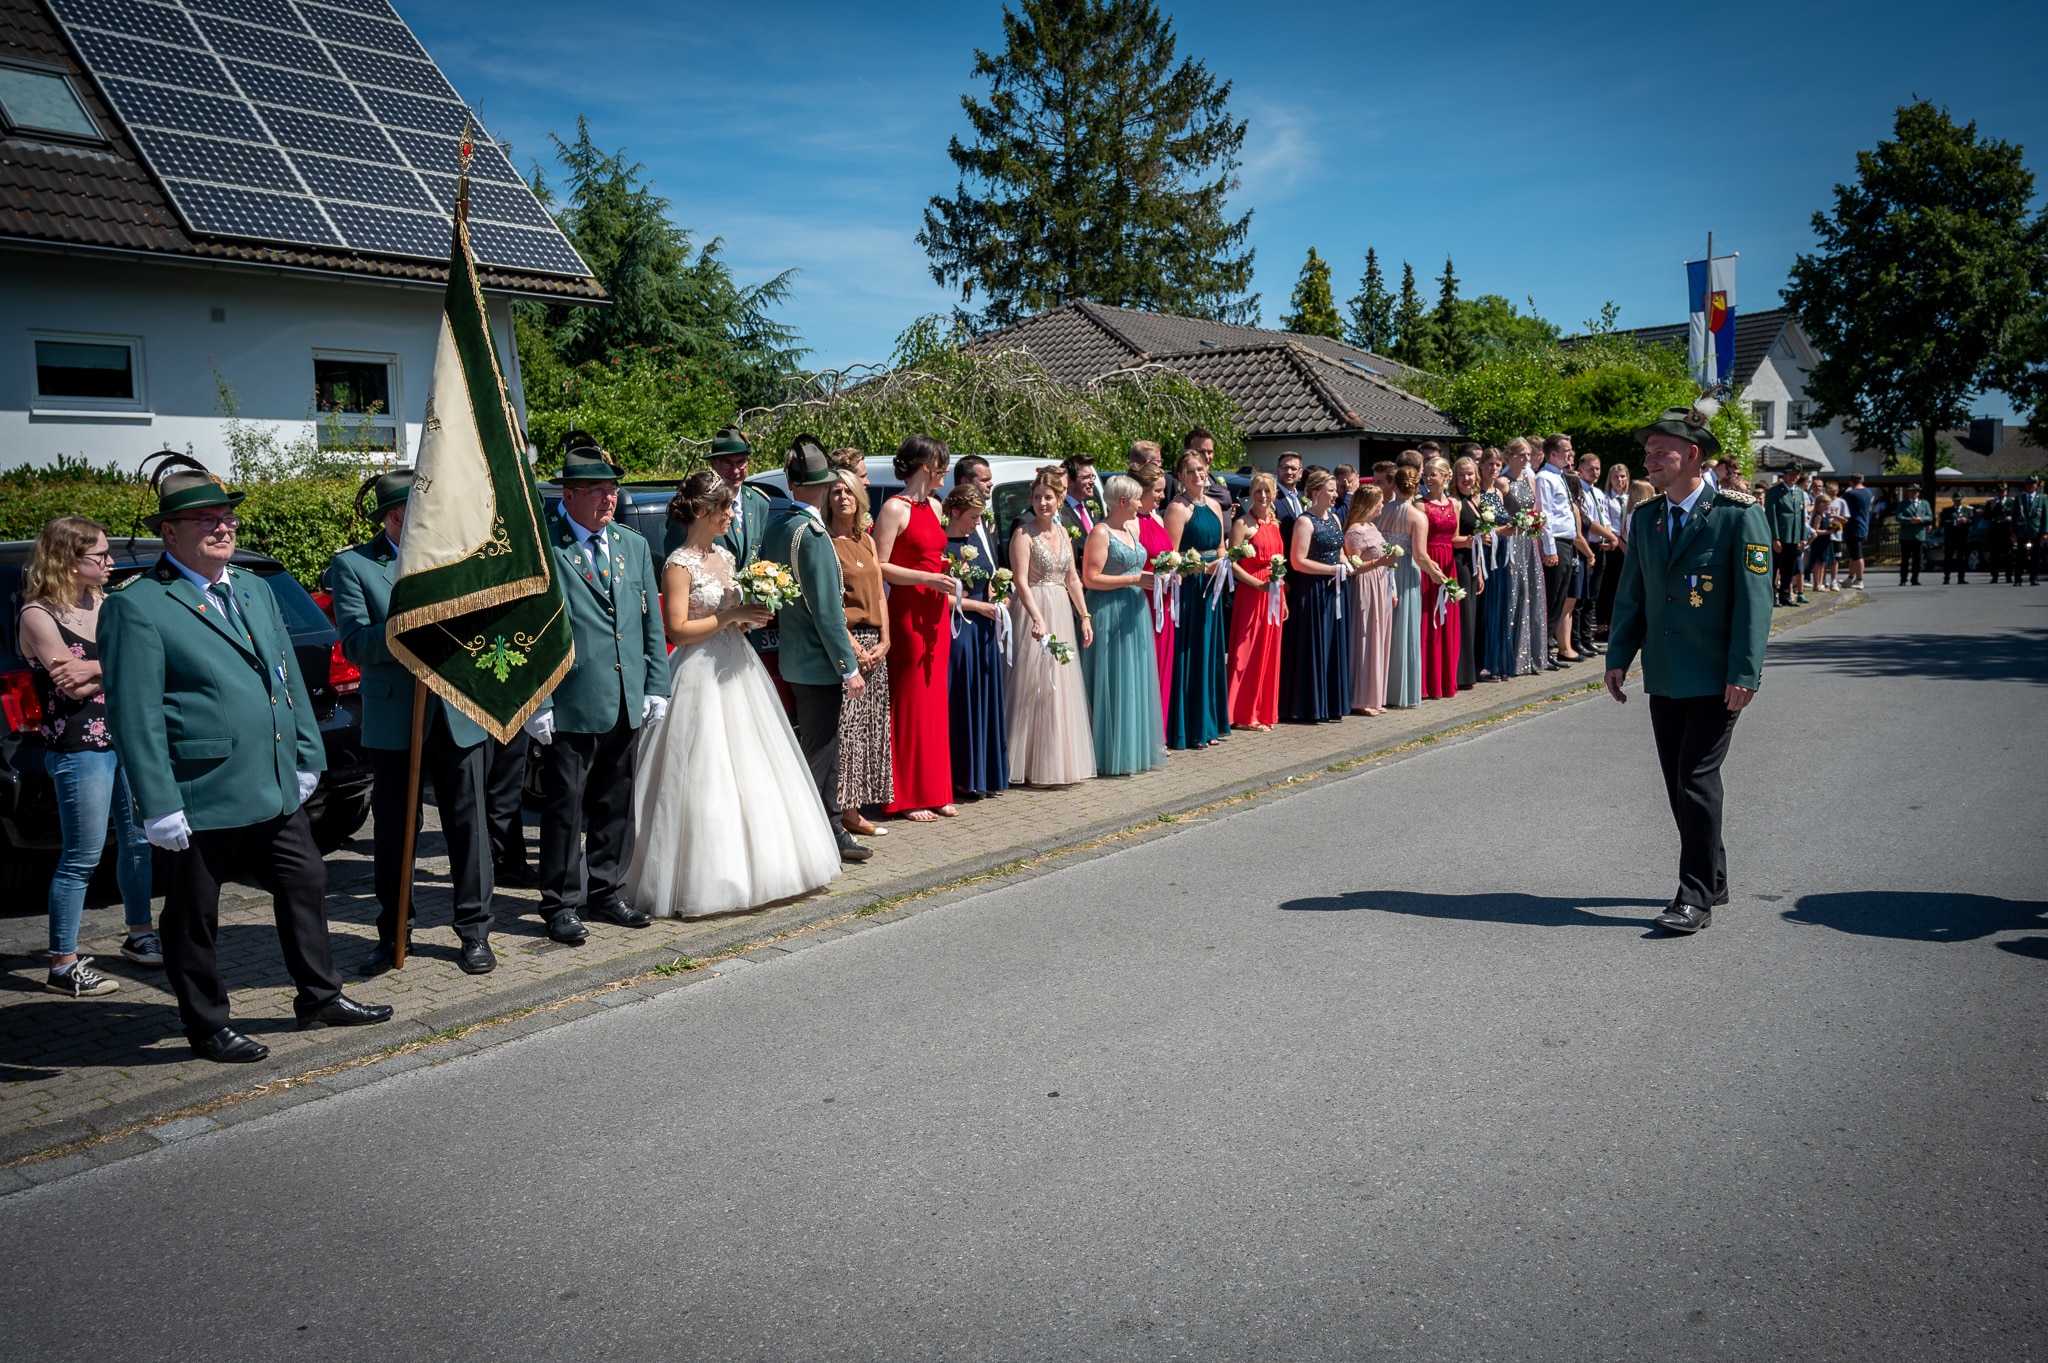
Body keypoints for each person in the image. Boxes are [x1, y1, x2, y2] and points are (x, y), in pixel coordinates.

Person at [102, 457, 388, 1062]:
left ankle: (319, 996)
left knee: (306, 880)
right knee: (194, 914)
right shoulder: (140, 605)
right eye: (205, 519)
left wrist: (307, 753)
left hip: (272, 780)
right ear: (169, 532)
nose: (223, 528)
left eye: (228, 517)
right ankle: (206, 1024)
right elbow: (135, 714)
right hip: (199, 790)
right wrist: (157, 803)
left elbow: (286, 680)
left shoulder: (254, 588)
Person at [628, 468, 845, 919]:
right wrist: (730, 617)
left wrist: (748, 618)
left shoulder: (726, 557)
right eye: (725, 507)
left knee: (757, 768)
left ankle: (769, 869)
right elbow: (677, 630)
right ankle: (709, 879)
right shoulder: (678, 565)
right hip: (699, 673)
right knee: (705, 775)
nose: (732, 514)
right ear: (702, 510)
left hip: (739, 668)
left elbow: (733, 616)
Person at [1603, 399, 1772, 935]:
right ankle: (1713, 877)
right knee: (1680, 783)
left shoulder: (1737, 516)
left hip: (1716, 676)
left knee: (1696, 779)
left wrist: (1744, 672)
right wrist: (1618, 656)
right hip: (1665, 674)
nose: (1649, 460)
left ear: (1693, 455)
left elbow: (1755, 603)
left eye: (1661, 451)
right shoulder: (1646, 518)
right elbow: (1632, 595)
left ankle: (1693, 895)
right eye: (1648, 452)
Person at [326, 470, 496, 977]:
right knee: (396, 832)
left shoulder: (456, 553)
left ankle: (475, 932)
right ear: (397, 516)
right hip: (396, 718)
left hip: (459, 712)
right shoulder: (354, 565)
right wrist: (408, 627)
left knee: (469, 827)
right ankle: (395, 932)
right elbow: (356, 643)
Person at [521, 442, 671, 944]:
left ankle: (606, 890)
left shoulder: (630, 544)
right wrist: (538, 700)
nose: (610, 499)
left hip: (626, 694)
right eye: (598, 491)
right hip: (571, 699)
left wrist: (656, 684)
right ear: (569, 495)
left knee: (616, 801)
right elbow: (532, 629)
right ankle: (560, 903)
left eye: (612, 490)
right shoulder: (546, 546)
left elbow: (649, 621)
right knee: (566, 807)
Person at [18, 517, 156, 997]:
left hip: (126, 738)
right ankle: (62, 964)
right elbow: (70, 685)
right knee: (82, 856)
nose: (110, 562)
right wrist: (118, 667)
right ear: (67, 559)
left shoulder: (109, 603)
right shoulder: (37, 614)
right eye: (100, 555)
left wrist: (97, 668)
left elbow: (147, 660)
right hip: (79, 748)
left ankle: (141, 935)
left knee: (139, 842)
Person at [762, 441, 873, 866]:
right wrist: (848, 667)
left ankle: (831, 828)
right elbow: (827, 610)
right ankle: (816, 833)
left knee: (821, 749)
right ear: (826, 487)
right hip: (818, 660)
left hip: (795, 656)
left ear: (792, 485)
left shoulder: (778, 526)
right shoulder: (811, 534)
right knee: (821, 753)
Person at [874, 433, 957, 821]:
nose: (945, 473)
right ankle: (905, 795)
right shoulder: (894, 508)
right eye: (942, 466)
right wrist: (925, 577)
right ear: (927, 467)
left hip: (936, 611)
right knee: (909, 700)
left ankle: (937, 789)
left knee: (935, 701)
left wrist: (944, 574)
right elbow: (880, 565)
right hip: (908, 612)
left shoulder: (936, 506)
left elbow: (934, 555)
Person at [1007, 468, 1096, 785]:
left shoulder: (1062, 533)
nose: (1042, 503)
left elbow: (1072, 579)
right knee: (1034, 684)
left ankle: (1059, 762)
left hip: (1060, 608)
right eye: (1037, 498)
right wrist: (1037, 618)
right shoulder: (1023, 534)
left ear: (1059, 499)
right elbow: (1019, 581)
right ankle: (1029, 764)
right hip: (1034, 609)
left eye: (1048, 497)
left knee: (1061, 685)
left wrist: (1084, 616)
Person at [1081, 474, 1166, 775]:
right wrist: (1133, 579)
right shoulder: (1100, 532)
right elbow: (1090, 578)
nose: (1140, 503)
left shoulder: (1131, 528)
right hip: (1109, 610)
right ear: (1122, 501)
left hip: (1134, 610)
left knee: (1132, 678)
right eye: (1137, 498)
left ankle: (1132, 749)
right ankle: (1107, 753)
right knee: (1112, 678)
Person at [826, 468, 893, 835]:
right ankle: (847, 812)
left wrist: (886, 639)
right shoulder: (826, 542)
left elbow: (880, 594)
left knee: (870, 729)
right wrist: (854, 648)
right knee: (848, 732)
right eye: (836, 491)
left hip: (875, 646)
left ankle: (862, 804)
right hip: (848, 644)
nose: (843, 497)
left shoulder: (866, 540)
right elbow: (831, 604)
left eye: (849, 491)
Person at [944, 481, 1009, 798]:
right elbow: (938, 597)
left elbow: (989, 581)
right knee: (963, 700)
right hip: (960, 630)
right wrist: (977, 606)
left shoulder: (977, 541)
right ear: (955, 512)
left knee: (984, 697)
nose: (977, 523)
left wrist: (999, 598)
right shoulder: (943, 546)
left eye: (980, 517)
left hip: (985, 629)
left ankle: (985, 773)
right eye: (972, 517)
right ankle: (962, 775)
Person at [1164, 449, 1231, 747]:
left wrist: (1223, 564)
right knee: (1191, 652)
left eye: (1200, 469)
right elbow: (1172, 556)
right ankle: (1191, 727)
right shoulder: (1177, 508)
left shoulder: (1215, 505)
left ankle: (1209, 725)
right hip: (1190, 587)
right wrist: (1203, 568)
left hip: (1212, 587)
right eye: (1190, 471)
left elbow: (1220, 546)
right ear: (1180, 476)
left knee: (1210, 654)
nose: (1197, 475)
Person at [1277, 468, 1353, 722]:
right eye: (1331, 490)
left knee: (1333, 643)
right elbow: (1297, 561)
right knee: (1313, 645)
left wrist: (1347, 564)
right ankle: (1310, 705)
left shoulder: (1335, 519)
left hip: (1335, 589)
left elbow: (1339, 552)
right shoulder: (1305, 522)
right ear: (1316, 492)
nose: (1335, 495)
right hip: (1313, 590)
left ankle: (1331, 703)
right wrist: (1332, 569)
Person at [1225, 473, 1287, 730]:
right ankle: (1241, 713)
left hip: (1273, 594)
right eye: (1258, 491)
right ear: (1251, 493)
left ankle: (1261, 710)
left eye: (1267, 491)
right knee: (1246, 650)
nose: (1263, 496)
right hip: (1251, 593)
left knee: (1268, 652)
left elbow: (1280, 563)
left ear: (1274, 494)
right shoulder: (1242, 524)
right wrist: (1257, 584)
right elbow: (1231, 564)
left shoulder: (1275, 523)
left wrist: (1282, 599)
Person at [1495, 440, 1551, 676]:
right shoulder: (1502, 482)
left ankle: (1530, 657)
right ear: (1510, 456)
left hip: (1528, 542)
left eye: (1528, 455)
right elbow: (1498, 516)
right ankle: (1510, 658)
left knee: (1532, 594)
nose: (1527, 459)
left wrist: (1537, 527)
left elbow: (1535, 510)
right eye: (1522, 455)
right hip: (1511, 541)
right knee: (1515, 593)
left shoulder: (1530, 480)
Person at [1130, 464, 1177, 738]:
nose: (1162, 496)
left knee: (1163, 665)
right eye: (1157, 491)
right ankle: (1145, 734)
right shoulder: (1132, 523)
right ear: (1142, 491)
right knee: (1146, 666)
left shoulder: (1157, 519)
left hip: (1165, 600)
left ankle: (1159, 733)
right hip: (1145, 599)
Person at [1377, 463, 1428, 708]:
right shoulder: (1417, 516)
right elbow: (1420, 555)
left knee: (1383, 630)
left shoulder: (1380, 511)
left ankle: (1380, 690)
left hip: (1382, 572)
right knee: (1405, 629)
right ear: (1416, 488)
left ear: (1394, 485)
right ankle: (1401, 691)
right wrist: (1438, 575)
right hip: (1406, 573)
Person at [1342, 486, 1396, 713]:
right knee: (1365, 638)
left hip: (1381, 585)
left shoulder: (1372, 527)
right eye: (1379, 501)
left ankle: (1375, 696)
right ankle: (1361, 699)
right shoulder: (1354, 532)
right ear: (1368, 504)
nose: (1383, 505)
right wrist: (1377, 563)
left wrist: (1392, 589)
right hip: (1365, 587)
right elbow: (1352, 567)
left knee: (1379, 638)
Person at [1417, 456, 1462, 700]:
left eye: (1433, 474)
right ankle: (1428, 682)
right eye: (1426, 474)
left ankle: (1445, 680)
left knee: (1448, 622)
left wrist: (1471, 541)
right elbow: (1419, 543)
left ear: (1445, 476)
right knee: (1429, 619)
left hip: (1449, 562)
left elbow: (1454, 538)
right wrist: (1430, 568)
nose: (1428, 478)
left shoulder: (1455, 504)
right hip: (1429, 563)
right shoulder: (1420, 505)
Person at [1535, 435, 1580, 664]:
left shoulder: (1559, 476)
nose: (1570, 454)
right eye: (1566, 450)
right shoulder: (1544, 477)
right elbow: (1545, 514)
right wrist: (1549, 547)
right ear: (1553, 453)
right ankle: (1543, 649)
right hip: (1557, 542)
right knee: (1551, 599)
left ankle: (1548, 648)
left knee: (1560, 598)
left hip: (1566, 542)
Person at [1575, 450, 1621, 653]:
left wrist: (1609, 538)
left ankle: (1587, 639)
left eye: (1597, 469)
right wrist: (1611, 537)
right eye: (1590, 469)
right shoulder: (1579, 492)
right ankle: (1577, 639)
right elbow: (1588, 521)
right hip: (1586, 547)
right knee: (1581, 597)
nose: (1595, 472)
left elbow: (1605, 519)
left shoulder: (1599, 493)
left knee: (1593, 596)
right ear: (1580, 469)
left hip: (1601, 547)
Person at [1451, 456, 1486, 689]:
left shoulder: (1475, 500)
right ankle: (1461, 676)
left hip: (1473, 563)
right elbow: (1453, 538)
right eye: (1461, 474)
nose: (1466, 478)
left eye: (1470, 474)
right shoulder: (1455, 502)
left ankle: (1469, 672)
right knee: (1464, 619)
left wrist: (1480, 571)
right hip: (1460, 563)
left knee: (1471, 619)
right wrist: (1469, 541)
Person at [1596, 461, 1633, 635]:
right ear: (1610, 479)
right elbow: (1607, 523)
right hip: (1614, 545)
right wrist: (1620, 543)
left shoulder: (1628, 498)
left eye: (1623, 476)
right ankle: (1602, 624)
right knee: (1608, 586)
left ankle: (1615, 623)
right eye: (1616, 477)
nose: (1620, 480)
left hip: (1627, 545)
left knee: (1621, 587)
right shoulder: (1606, 499)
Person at [1764, 468, 1810, 606]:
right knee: (1774, 567)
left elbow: (1801, 515)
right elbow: (1771, 516)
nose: (1793, 477)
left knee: (1789, 568)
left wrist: (1802, 536)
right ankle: (1772, 596)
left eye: (1796, 475)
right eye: (1790, 474)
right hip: (1780, 535)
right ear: (1784, 475)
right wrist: (1775, 538)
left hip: (1794, 536)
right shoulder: (1774, 492)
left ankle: (1785, 595)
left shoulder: (1799, 492)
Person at [1893, 485, 1932, 586]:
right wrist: (1909, 520)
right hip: (1906, 535)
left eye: (1916, 491)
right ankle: (1903, 579)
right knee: (1905, 558)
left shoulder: (1924, 503)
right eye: (1912, 491)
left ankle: (1915, 579)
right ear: (1908, 492)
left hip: (1919, 534)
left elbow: (1930, 517)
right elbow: (1898, 516)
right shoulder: (1903, 504)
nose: (1914, 493)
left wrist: (1921, 519)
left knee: (1917, 558)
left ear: (1919, 492)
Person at [1840, 474, 1873, 589]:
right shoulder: (1868, 492)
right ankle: (1850, 578)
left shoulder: (1850, 494)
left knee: (1857, 555)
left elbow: (1842, 506)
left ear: (1851, 482)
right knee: (1853, 555)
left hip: (1853, 526)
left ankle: (1859, 580)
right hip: (1863, 525)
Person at [1059, 454, 1102, 537]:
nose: (1092, 482)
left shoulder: (1091, 507)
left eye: (1092, 477)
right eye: (1086, 477)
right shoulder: (1060, 512)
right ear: (1069, 481)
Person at [1981, 488, 2013, 584]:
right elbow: (1985, 516)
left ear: (2006, 492)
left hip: (2007, 531)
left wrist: (2011, 517)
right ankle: (1994, 576)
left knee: (2008, 555)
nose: (2000, 493)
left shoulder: (2011, 502)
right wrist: (1991, 507)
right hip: (1995, 532)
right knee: (1994, 555)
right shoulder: (1991, 502)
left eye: (2003, 491)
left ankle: (2009, 576)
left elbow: (2017, 514)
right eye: (1999, 491)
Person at [2019, 475, 2047, 585]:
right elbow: (2015, 516)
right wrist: (2013, 532)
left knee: (2036, 556)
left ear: (2036, 485)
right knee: (2020, 555)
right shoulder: (2020, 498)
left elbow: (2045, 516)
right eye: (2028, 484)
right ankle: (2018, 578)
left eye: (2032, 484)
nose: (2030, 486)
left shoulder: (2042, 499)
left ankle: (2034, 578)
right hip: (2023, 531)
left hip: (2036, 531)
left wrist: (2045, 532)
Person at [1940, 492, 1973, 584]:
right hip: (1951, 538)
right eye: (1956, 500)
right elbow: (1943, 522)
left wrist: (1965, 520)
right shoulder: (1947, 511)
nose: (1958, 502)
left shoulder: (1967, 510)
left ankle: (1961, 578)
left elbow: (1972, 521)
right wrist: (1954, 522)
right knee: (1948, 558)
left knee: (1962, 558)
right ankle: (1946, 578)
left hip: (1962, 538)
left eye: (1959, 500)